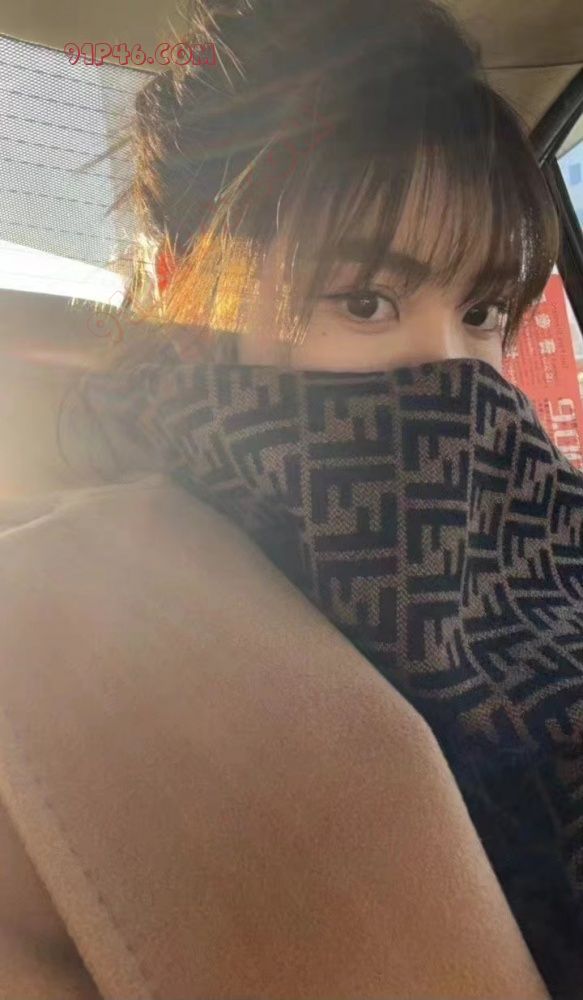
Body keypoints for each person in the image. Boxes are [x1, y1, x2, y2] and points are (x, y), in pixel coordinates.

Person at [0, 0, 578, 996]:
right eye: (365, 301)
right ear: (184, 287)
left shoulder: (546, 542)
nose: (452, 370)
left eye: (483, 310)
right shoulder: (52, 632)